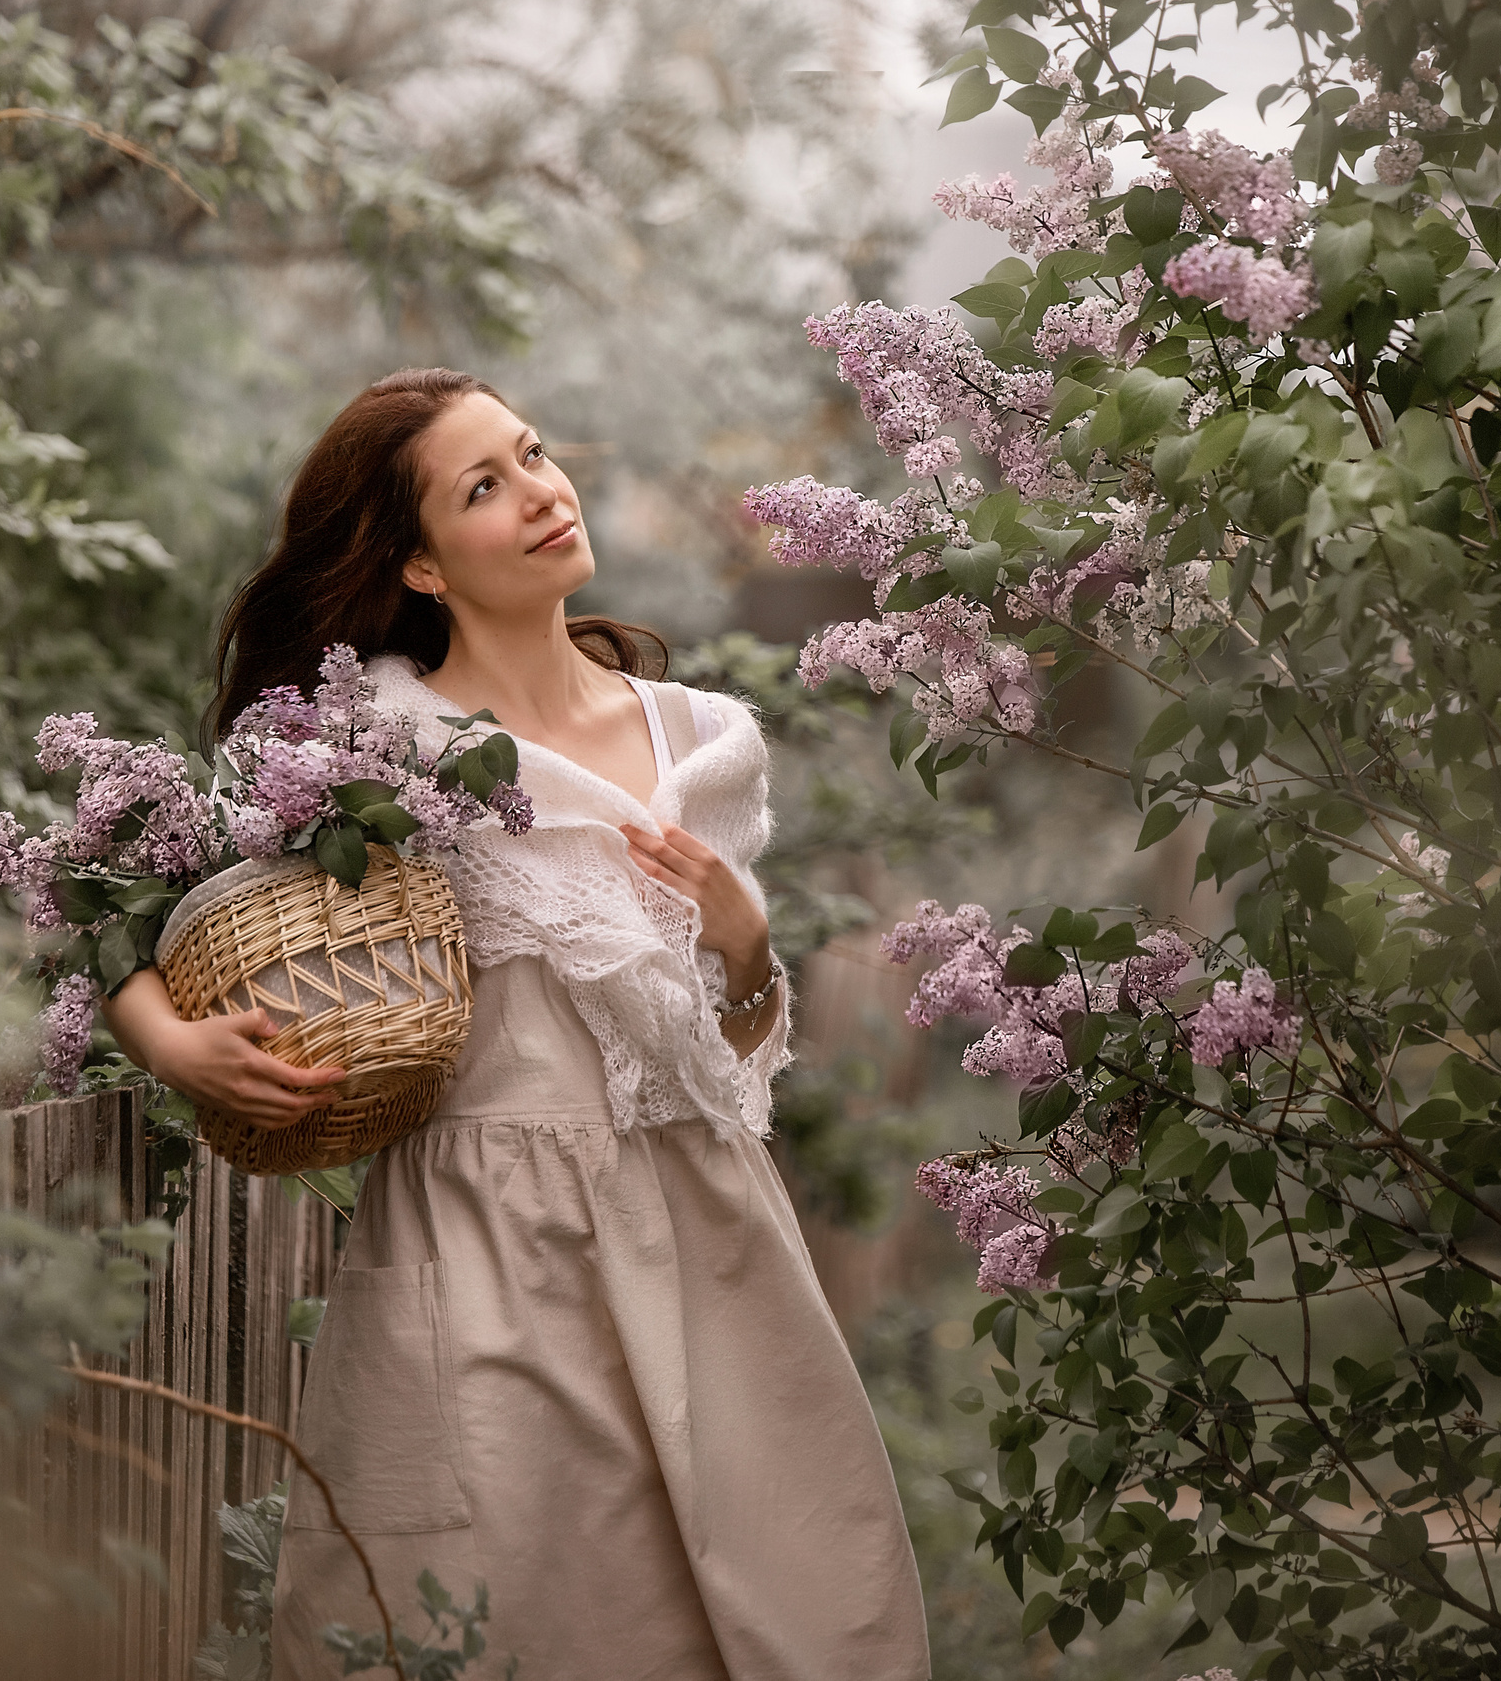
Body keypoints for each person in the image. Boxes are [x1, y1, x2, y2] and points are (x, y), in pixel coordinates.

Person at [103, 369, 929, 1679]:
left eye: (533, 454)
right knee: (501, 1616)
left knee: (763, 1614)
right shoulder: (376, 737)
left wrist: (749, 941)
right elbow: (131, 909)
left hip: (709, 1230)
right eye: (485, 486)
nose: (543, 492)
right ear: (422, 564)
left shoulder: (705, 744)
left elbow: (743, 1053)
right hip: (483, 1241)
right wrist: (175, 1044)